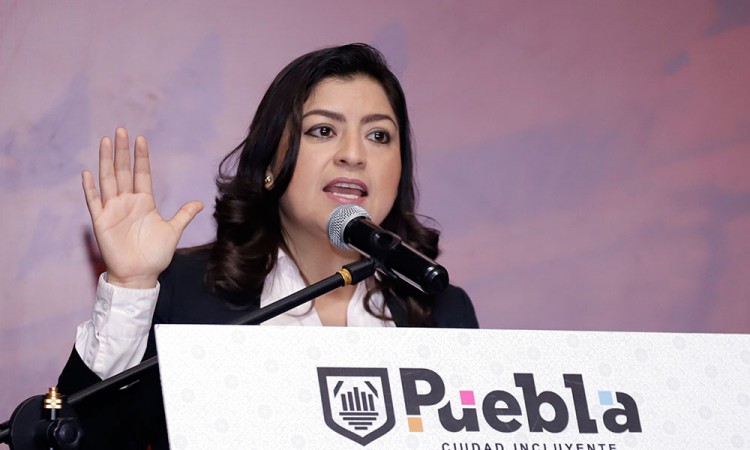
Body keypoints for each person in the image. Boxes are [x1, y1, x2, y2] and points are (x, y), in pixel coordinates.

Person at [57, 43, 478, 449]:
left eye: (379, 136)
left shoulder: (443, 312)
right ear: (270, 164)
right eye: (323, 130)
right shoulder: (184, 294)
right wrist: (130, 286)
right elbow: (80, 440)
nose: (353, 154)